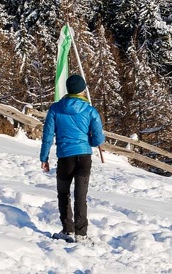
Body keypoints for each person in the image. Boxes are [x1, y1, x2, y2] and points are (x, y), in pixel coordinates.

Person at [40, 74, 105, 242]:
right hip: (84, 156)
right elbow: (98, 139)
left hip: (64, 156)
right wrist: (87, 141)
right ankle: (81, 234)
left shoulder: (55, 108)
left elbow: (47, 135)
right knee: (81, 195)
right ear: (82, 90)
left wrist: (44, 157)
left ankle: (67, 230)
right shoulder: (90, 110)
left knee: (63, 193)